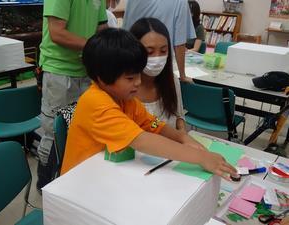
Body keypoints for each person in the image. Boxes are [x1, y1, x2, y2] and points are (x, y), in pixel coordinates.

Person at [61, 28, 237, 182]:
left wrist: (182, 137)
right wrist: (201, 157)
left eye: (139, 74)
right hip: (79, 182)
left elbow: (153, 125)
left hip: (107, 172)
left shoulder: (126, 99)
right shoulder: (96, 102)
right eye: (130, 78)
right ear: (101, 78)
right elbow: (141, 140)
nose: (138, 82)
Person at [37, 0, 108, 191]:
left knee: (83, 130)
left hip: (86, 69)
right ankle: (45, 183)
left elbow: (102, 27)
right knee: (53, 131)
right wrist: (97, 47)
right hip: (59, 70)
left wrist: (110, 45)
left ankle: (75, 181)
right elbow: (56, 32)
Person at [130, 18, 186, 132]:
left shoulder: (172, 81)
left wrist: (182, 133)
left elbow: (179, 117)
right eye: (149, 52)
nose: (157, 58)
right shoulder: (124, 89)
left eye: (163, 51)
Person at [122, 0, 196, 82]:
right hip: (162, 67)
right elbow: (179, 44)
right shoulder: (180, 2)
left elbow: (125, 33)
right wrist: (182, 75)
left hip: (133, 64)